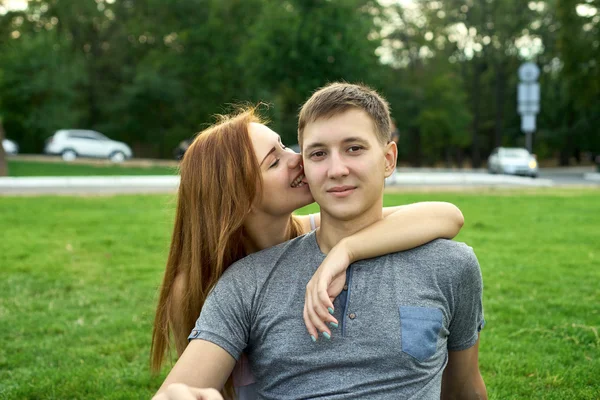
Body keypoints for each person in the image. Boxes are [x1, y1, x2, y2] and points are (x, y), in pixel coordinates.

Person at [152, 84, 483, 399]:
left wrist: (344, 251)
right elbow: (182, 386)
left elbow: (447, 215)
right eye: (317, 153)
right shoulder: (233, 282)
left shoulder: (450, 264)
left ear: (388, 159)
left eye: (354, 148)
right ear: (241, 197)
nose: (299, 160)